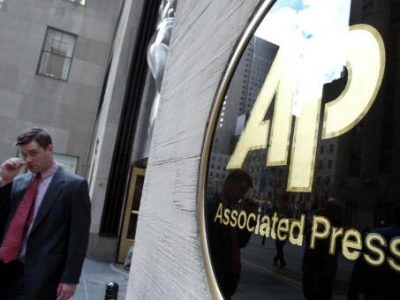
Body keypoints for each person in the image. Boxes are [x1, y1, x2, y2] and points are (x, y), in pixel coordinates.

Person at [0, 128, 91, 300]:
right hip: (7, 268)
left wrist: (70, 278)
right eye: (24, 154)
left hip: (43, 275)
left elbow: (78, 237)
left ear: (50, 148)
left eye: (33, 153)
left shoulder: (74, 186)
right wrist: (5, 181)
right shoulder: (19, 181)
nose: (28, 160)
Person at [207, 169, 258, 299]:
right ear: (229, 183)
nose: (241, 196)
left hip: (225, 282)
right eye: (240, 190)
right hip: (215, 279)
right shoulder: (212, 206)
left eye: (244, 192)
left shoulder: (230, 211)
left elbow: (240, 242)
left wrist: (250, 217)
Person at [302, 197, 345, 300]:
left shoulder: (332, 230)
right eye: (339, 212)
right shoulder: (323, 231)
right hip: (318, 279)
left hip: (320, 278)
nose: (341, 215)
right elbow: (315, 257)